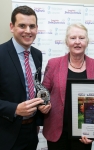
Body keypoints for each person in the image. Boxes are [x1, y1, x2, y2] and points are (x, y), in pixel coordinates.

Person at [42, 23, 94, 150]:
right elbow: (43, 92)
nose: (77, 42)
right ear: (66, 41)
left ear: (87, 41)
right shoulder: (53, 64)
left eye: (81, 38)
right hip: (57, 130)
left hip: (84, 132)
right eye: (73, 38)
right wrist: (42, 105)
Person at [0, 6, 51, 150]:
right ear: (12, 26)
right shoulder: (1, 54)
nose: (28, 31)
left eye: (32, 26)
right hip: (6, 134)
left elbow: (33, 87)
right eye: (22, 26)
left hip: (31, 133)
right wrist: (15, 109)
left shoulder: (37, 55)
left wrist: (42, 105)